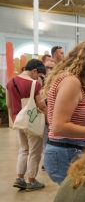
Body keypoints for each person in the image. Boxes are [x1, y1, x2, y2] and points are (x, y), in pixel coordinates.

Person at [42, 41, 85, 184]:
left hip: (68, 151)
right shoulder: (71, 82)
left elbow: (66, 118)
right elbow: (59, 127)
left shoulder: (70, 80)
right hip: (66, 153)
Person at [6, 59, 47, 191]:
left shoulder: (10, 82)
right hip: (33, 121)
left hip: (19, 120)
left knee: (24, 149)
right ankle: (32, 180)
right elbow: (40, 104)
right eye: (40, 75)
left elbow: (9, 104)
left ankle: (19, 178)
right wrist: (48, 117)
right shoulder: (35, 84)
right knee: (35, 152)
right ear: (34, 71)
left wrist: (14, 120)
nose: (40, 78)